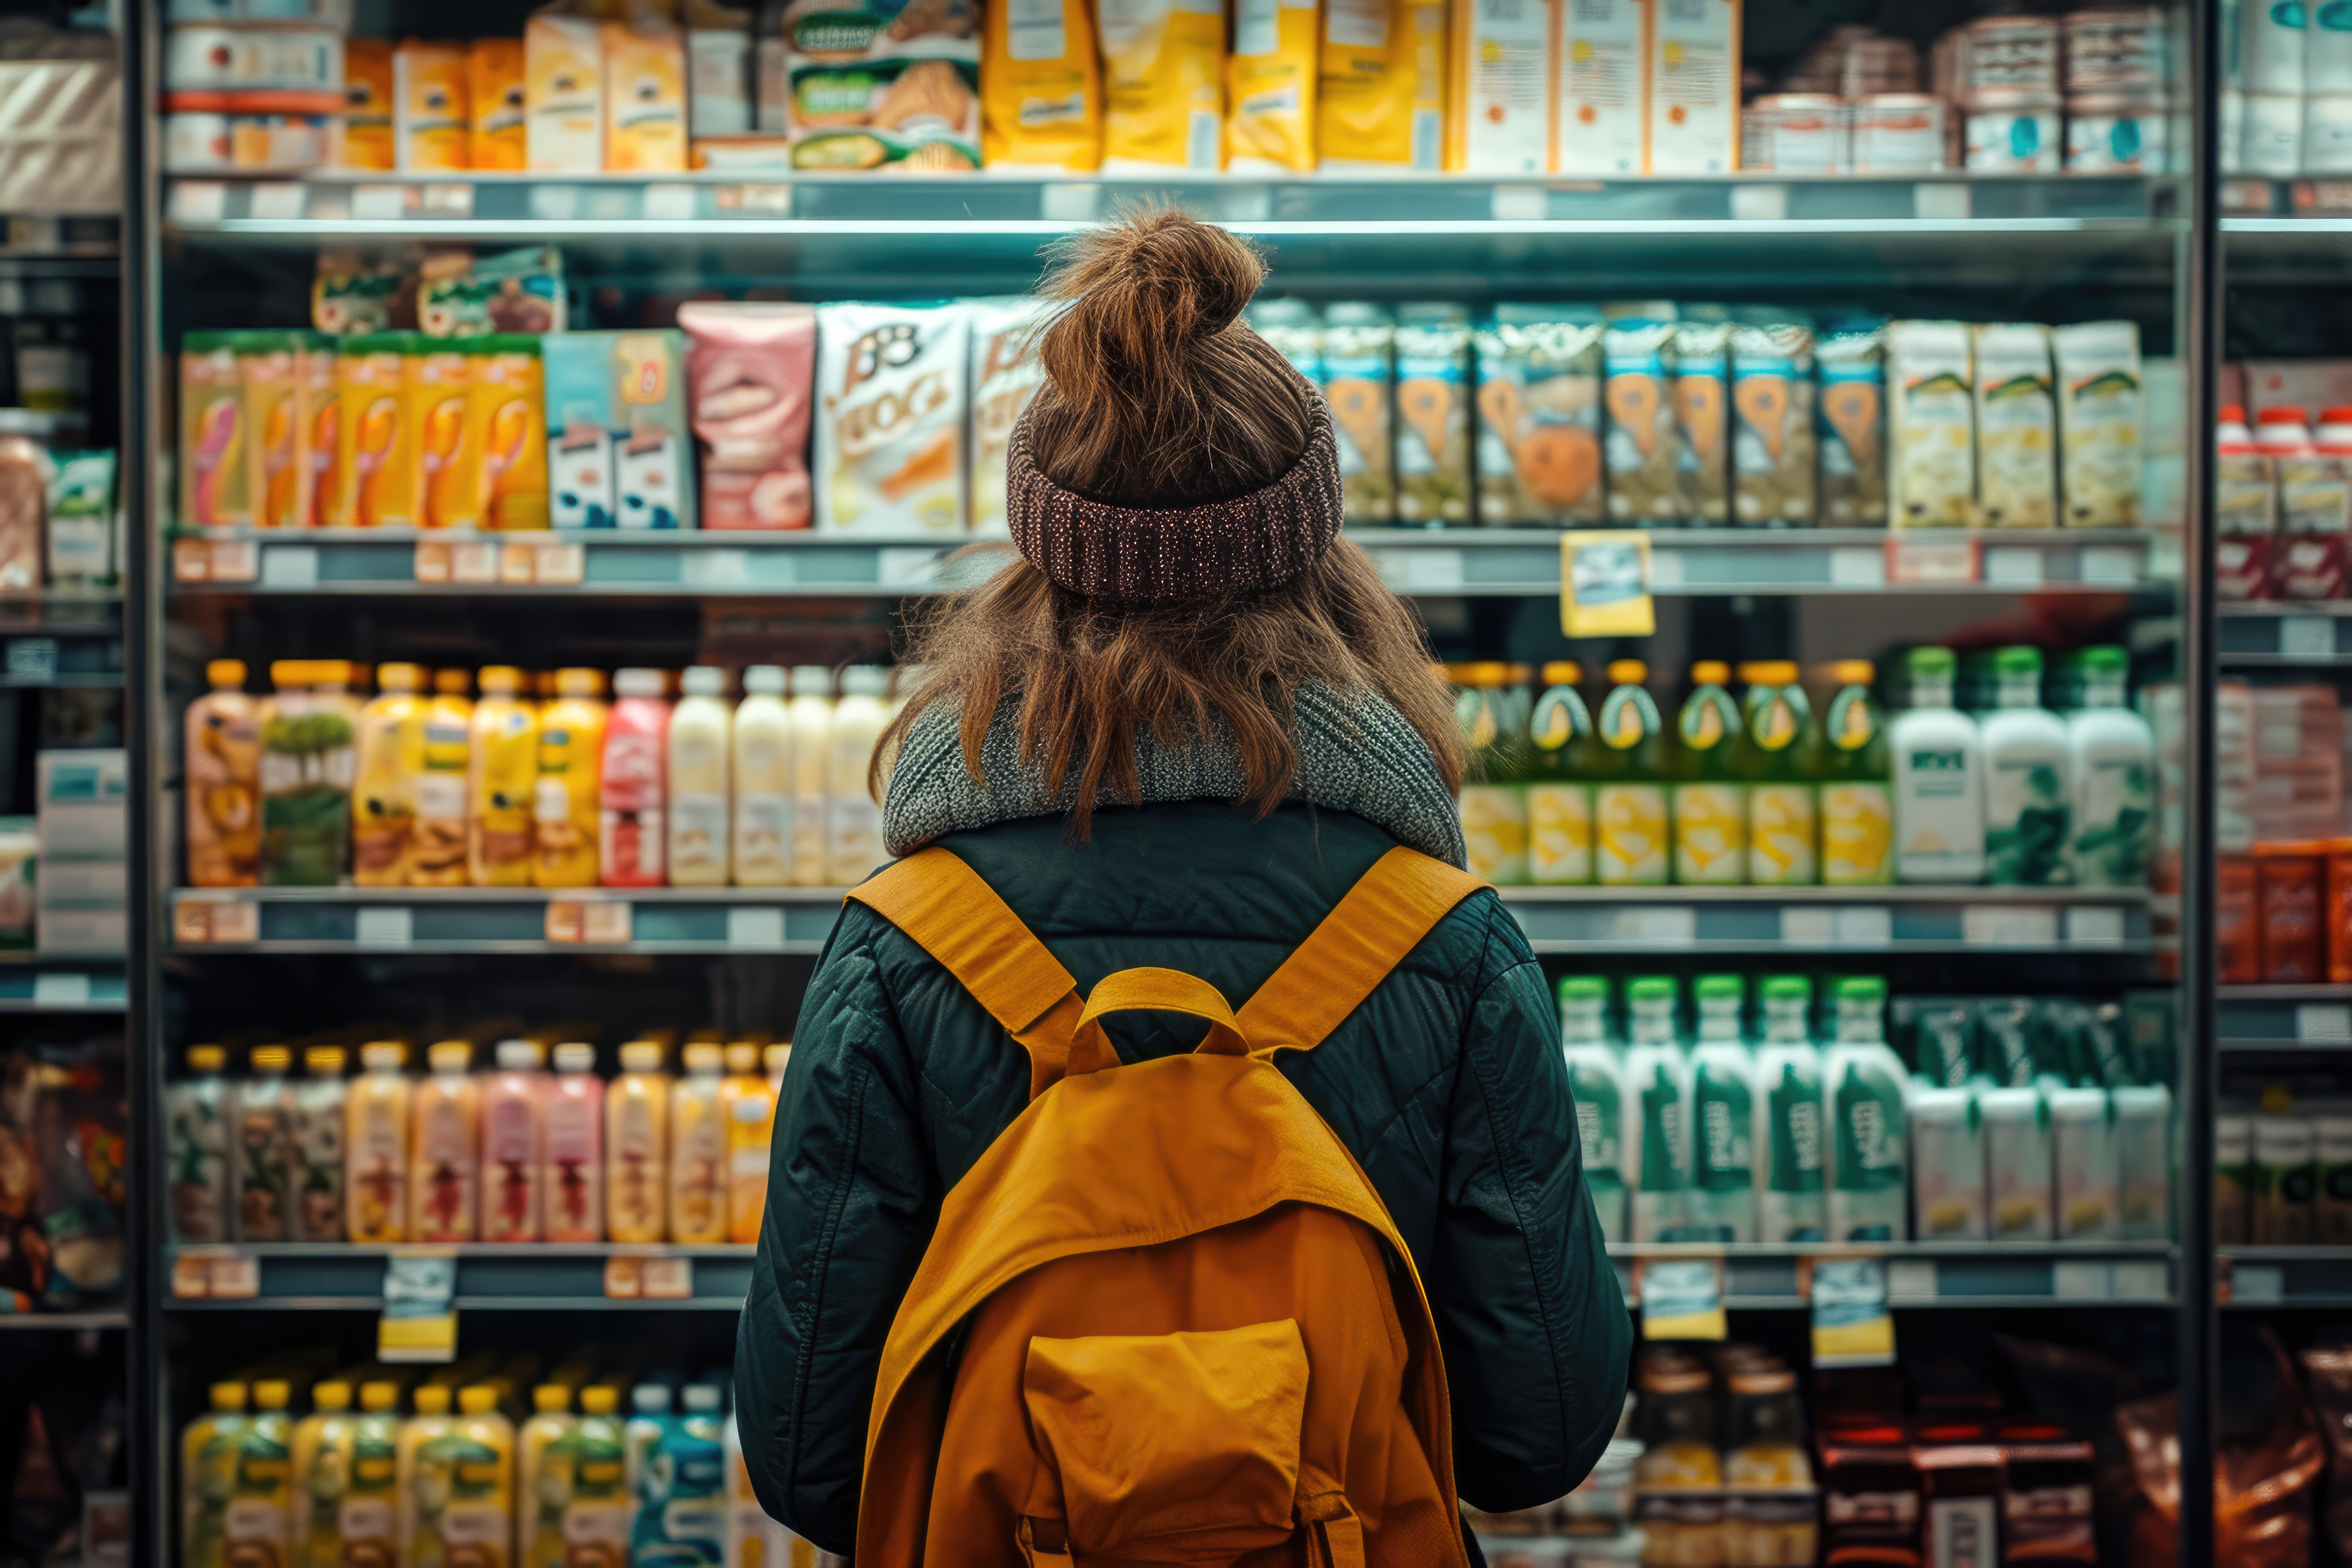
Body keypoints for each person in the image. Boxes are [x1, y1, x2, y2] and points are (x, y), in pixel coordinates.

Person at [735, 208, 1630, 1560]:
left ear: (1039, 555)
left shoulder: (902, 947)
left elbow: (810, 1457)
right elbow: (1538, 1436)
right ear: (1316, 550)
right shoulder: (1446, 943)